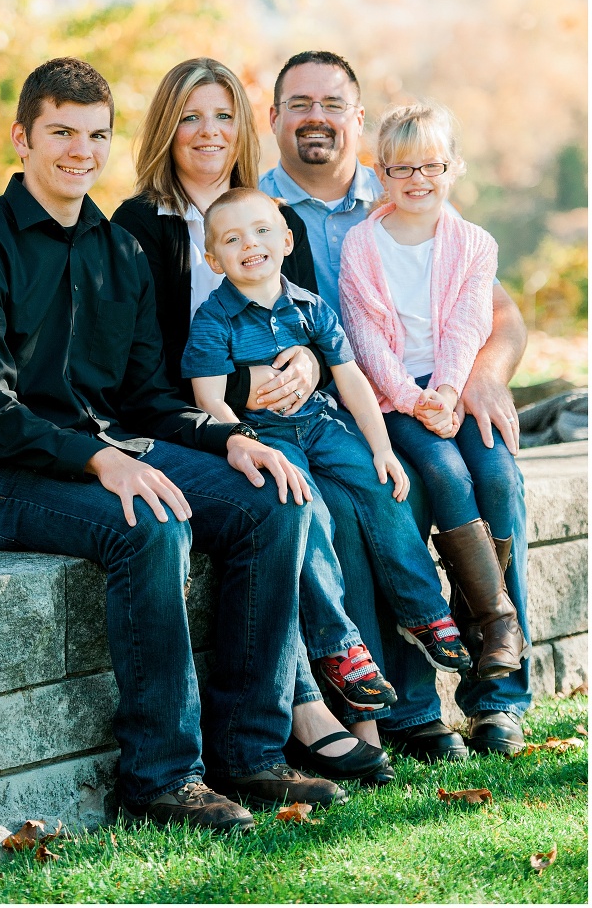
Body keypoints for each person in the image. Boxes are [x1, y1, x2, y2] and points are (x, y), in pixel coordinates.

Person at [0, 56, 347, 833]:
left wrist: (232, 438)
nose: (79, 151)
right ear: (23, 138)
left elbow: (148, 398)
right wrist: (100, 458)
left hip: (107, 448)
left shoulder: (119, 251)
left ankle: (250, 752)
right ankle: (161, 776)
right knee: (151, 526)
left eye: (95, 135)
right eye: (60, 132)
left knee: (271, 500)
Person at [113, 58, 395, 783]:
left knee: (364, 495)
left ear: (244, 125)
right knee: (292, 500)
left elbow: (303, 317)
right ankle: (307, 710)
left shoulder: (277, 214)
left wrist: (303, 357)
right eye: (190, 117)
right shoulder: (142, 224)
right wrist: (243, 389)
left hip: (294, 414)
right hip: (191, 420)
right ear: (165, 129)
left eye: (223, 115)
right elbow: (152, 371)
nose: (209, 132)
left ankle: (384, 710)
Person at [261, 51, 531, 758]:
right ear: (275, 117)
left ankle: (498, 688)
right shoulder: (260, 209)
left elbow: (490, 314)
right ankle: (413, 713)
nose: (316, 116)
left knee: (498, 474)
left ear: (357, 121)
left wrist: (479, 376)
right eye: (299, 103)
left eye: (332, 103)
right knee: (390, 497)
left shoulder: (426, 202)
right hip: (344, 411)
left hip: (431, 395)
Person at [181, 187, 473, 718]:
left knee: (384, 483)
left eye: (262, 230)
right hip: (264, 438)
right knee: (307, 510)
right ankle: (339, 647)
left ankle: (423, 609)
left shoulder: (311, 307)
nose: (251, 244)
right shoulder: (213, 319)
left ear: (287, 240)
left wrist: (381, 448)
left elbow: (351, 379)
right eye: (232, 238)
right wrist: (245, 447)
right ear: (212, 258)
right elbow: (209, 398)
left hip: (320, 425)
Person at [340, 103, 529, 681]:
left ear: (455, 168)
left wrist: (448, 390)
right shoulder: (361, 245)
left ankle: (482, 625)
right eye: (402, 168)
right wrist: (411, 397)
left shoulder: (474, 244)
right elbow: (364, 338)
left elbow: (469, 324)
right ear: (380, 173)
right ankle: (498, 618)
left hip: (455, 383)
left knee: (496, 474)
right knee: (446, 474)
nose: (418, 179)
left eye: (432, 165)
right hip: (393, 395)